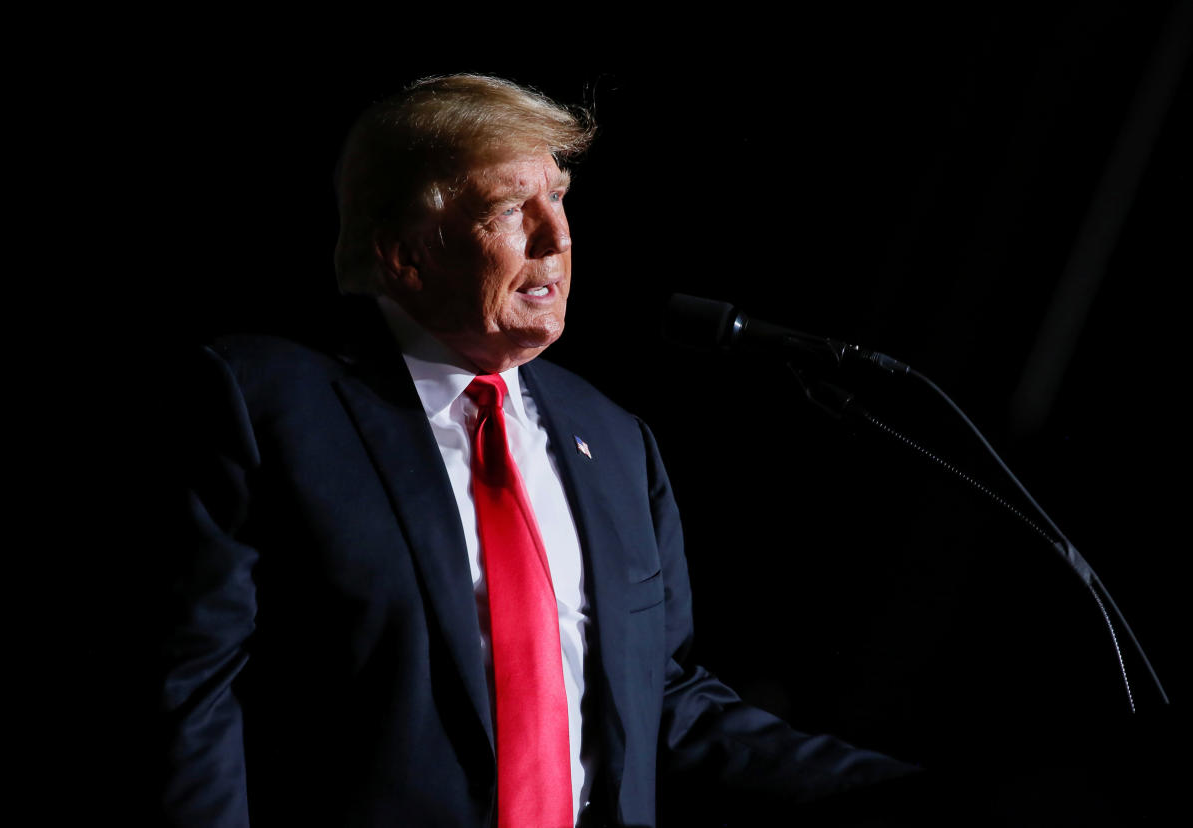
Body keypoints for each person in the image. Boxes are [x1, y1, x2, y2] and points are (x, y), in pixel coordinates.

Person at [160, 74, 918, 827]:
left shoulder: (619, 441)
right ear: (404, 254)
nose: (556, 237)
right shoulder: (261, 402)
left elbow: (663, 700)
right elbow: (189, 695)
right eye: (507, 210)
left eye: (556, 197)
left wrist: (905, 797)